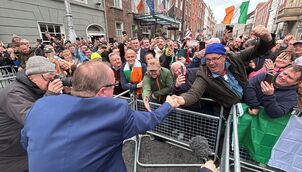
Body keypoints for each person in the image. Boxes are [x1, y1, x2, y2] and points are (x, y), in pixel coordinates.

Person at [21, 60, 179, 172]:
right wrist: (168, 105)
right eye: (113, 85)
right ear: (103, 91)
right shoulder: (115, 112)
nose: (114, 88)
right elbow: (150, 120)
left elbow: (25, 141)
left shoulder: (39, 105)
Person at [172, 25, 275, 109]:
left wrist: (267, 38)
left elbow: (258, 50)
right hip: (229, 109)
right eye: (208, 59)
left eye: (215, 58)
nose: (211, 63)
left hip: (248, 99)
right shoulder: (204, 73)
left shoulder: (235, 58)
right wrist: (180, 100)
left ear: (224, 57)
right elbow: (194, 93)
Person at [0, 56, 63, 172]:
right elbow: (32, 119)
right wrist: (50, 95)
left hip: (28, 147)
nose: (52, 82)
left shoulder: (36, 88)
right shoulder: (13, 93)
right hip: (11, 154)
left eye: (53, 78)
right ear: (32, 76)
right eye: (48, 78)